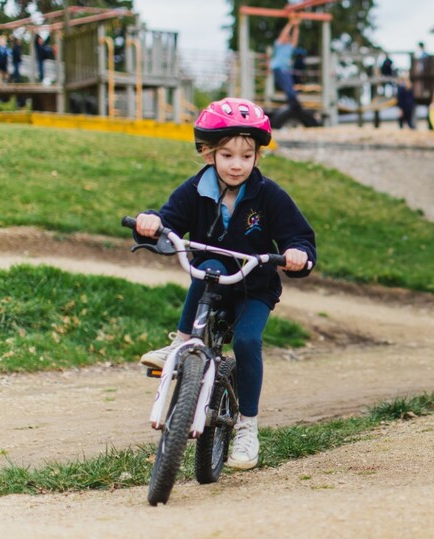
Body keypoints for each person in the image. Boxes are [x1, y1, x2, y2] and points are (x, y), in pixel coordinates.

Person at [134, 97, 317, 470]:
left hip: (255, 285)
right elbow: (168, 221)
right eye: (228, 155)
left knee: (248, 341)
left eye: (247, 156)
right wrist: (151, 224)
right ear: (208, 153)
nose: (237, 164)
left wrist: (298, 254)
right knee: (210, 264)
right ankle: (182, 343)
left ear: (257, 158)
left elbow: (299, 237)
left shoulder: (269, 196)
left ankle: (248, 426)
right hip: (214, 279)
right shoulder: (194, 190)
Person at [270, 18, 320, 128]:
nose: (287, 38)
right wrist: (290, 24)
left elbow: (295, 39)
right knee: (287, 86)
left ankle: (293, 102)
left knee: (290, 86)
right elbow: (283, 34)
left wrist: (296, 26)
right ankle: (293, 102)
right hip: (278, 68)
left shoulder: (289, 47)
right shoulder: (279, 45)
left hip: (285, 69)